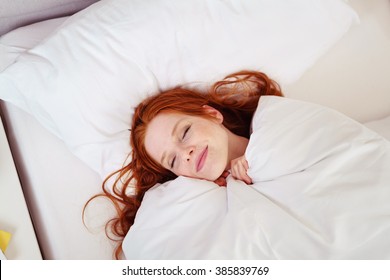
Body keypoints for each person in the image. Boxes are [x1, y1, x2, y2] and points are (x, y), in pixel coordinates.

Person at [85, 70, 283, 259]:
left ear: (212, 114)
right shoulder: (195, 207)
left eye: (185, 132)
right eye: (172, 160)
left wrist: (259, 162)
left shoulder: (277, 125)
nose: (185, 153)